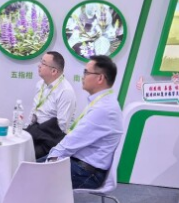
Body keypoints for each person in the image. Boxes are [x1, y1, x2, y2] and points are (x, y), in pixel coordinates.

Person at [45, 55, 123, 190]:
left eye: (86, 72)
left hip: (86, 172)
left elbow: (72, 141)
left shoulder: (103, 108)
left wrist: (50, 160)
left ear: (100, 78)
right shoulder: (103, 101)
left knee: (30, 175)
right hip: (81, 164)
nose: (83, 77)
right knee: (33, 167)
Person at [25, 51, 76, 159]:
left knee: (25, 156)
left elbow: (62, 127)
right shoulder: (40, 84)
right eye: (41, 62)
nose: (39, 65)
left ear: (54, 71)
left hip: (49, 139)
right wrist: (27, 128)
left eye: (43, 63)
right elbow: (35, 110)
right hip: (34, 131)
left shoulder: (65, 91)